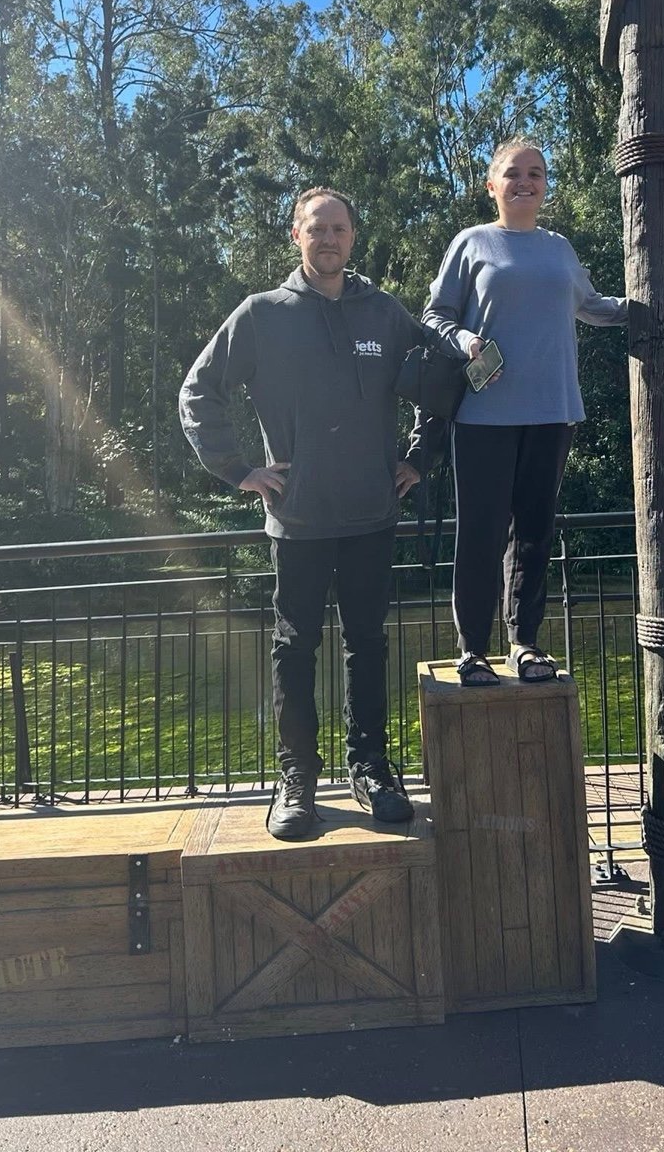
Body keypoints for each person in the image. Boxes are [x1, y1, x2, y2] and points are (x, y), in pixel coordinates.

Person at [180, 187, 432, 839]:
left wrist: (423, 454)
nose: (328, 239)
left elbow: (447, 372)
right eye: (316, 228)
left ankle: (371, 768)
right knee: (295, 649)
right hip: (298, 521)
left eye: (339, 229)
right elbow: (197, 391)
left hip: (373, 515)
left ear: (354, 237)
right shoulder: (262, 315)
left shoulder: (385, 314)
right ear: (297, 235)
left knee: (369, 646)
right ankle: (297, 779)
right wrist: (239, 470)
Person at [422, 140, 628, 686]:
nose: (525, 182)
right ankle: (472, 650)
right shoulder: (471, 243)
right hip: (483, 415)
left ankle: (525, 643)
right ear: (492, 185)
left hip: (553, 411)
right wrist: (465, 340)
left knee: (535, 531)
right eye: (512, 174)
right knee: (482, 534)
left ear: (545, 185)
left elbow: (593, 307)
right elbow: (435, 315)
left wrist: (647, 308)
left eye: (535, 173)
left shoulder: (559, 249)